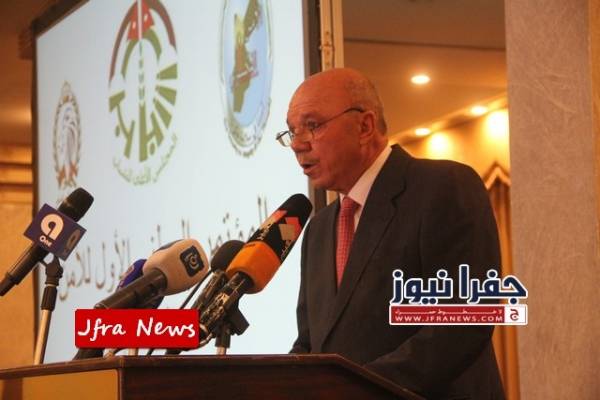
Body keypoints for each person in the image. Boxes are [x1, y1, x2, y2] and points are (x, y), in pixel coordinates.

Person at [279, 68, 505, 399]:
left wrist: (353, 389)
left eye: (312, 126)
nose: (298, 144)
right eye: (291, 131)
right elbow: (311, 342)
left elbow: (464, 319)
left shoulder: (443, 187)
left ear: (365, 126)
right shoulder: (319, 229)